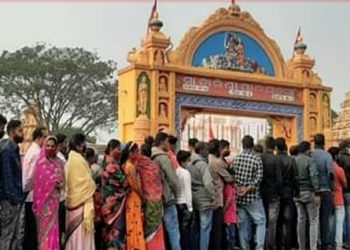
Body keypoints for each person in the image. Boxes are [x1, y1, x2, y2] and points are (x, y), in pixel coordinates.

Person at [233, 135, 265, 250]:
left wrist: (239, 188)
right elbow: (258, 179)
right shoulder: (256, 159)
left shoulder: (236, 158)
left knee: (242, 224)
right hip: (252, 198)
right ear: (253, 145)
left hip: (239, 198)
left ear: (242, 144)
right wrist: (247, 189)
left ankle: (244, 247)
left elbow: (233, 177)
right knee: (261, 222)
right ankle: (259, 247)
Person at [32, 136, 65, 250]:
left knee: (54, 227)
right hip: (43, 202)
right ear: (44, 146)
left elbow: (62, 178)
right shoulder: (41, 162)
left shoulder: (60, 162)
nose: (50, 148)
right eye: (48, 145)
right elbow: (38, 183)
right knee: (43, 230)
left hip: (54, 200)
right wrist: (52, 182)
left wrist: (60, 183)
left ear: (56, 147)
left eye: (52, 146)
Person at [65, 133, 96, 250]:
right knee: (81, 236)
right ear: (78, 145)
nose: (85, 146)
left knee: (74, 237)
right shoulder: (78, 160)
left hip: (72, 202)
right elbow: (88, 183)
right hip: (81, 204)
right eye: (83, 143)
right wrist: (93, 185)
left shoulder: (71, 158)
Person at [152, 132, 181, 250]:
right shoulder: (163, 157)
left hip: (155, 199)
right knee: (173, 231)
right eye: (168, 141)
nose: (169, 144)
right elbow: (173, 179)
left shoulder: (151, 156)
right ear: (163, 142)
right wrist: (177, 192)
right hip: (167, 198)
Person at [99, 139, 128, 249]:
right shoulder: (112, 164)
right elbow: (124, 183)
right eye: (118, 149)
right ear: (111, 149)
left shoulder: (104, 160)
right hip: (114, 204)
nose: (120, 151)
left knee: (108, 230)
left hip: (105, 202)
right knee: (115, 231)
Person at [22, 126, 48, 250]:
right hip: (32, 196)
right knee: (31, 232)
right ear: (38, 138)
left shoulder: (33, 150)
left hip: (31, 195)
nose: (47, 140)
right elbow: (31, 176)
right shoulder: (37, 153)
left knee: (31, 231)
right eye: (45, 137)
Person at [0, 120, 25, 249]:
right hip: (10, 201)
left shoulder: (14, 149)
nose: (23, 133)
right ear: (12, 132)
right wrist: (14, 200)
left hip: (17, 200)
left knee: (17, 235)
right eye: (20, 131)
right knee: (7, 235)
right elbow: (7, 178)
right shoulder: (7, 151)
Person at [138, 140, 166, 249]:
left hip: (148, 201)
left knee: (148, 229)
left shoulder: (139, 164)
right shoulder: (154, 165)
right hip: (158, 200)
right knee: (156, 228)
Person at [118, 142, 146, 250]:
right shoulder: (131, 166)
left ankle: (132, 245)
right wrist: (142, 197)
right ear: (131, 153)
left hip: (129, 198)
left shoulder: (125, 164)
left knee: (131, 223)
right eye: (136, 152)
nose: (138, 154)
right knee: (136, 223)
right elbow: (135, 186)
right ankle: (137, 246)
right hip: (134, 197)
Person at [187, 141, 215, 250]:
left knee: (196, 228)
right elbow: (208, 183)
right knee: (205, 228)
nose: (208, 152)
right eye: (207, 150)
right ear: (202, 150)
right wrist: (212, 196)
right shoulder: (202, 164)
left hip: (194, 199)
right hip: (205, 202)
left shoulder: (189, 163)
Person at [294, 141, 320, 250]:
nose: (311, 151)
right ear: (306, 149)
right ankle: (313, 247)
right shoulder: (310, 160)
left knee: (301, 220)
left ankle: (301, 247)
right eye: (310, 149)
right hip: (309, 193)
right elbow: (314, 176)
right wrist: (317, 192)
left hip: (297, 194)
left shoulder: (293, 160)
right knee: (313, 221)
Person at [208, 139, 234, 250]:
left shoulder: (209, 159)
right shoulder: (217, 162)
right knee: (218, 228)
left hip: (211, 197)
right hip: (217, 198)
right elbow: (229, 178)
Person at [275, 137, 299, 250]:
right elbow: (295, 178)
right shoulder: (291, 160)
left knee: (278, 221)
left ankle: (278, 244)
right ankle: (288, 245)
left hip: (276, 194)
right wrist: (297, 191)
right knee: (288, 221)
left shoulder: (275, 160)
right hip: (289, 193)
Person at [311, 133, 334, 250]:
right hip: (325, 190)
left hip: (313, 192)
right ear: (324, 143)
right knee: (325, 219)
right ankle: (325, 243)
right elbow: (330, 173)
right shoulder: (327, 156)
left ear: (314, 143)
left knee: (313, 220)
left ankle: (314, 243)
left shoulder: (310, 155)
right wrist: (331, 188)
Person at [260, 137, 282, 250]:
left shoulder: (260, 158)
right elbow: (279, 179)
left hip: (261, 194)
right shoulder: (276, 159)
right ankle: (270, 244)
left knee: (262, 220)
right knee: (272, 222)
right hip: (274, 195)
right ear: (274, 147)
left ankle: (261, 243)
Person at [328, 147, 347, 250]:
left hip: (329, 198)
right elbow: (345, 183)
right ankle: (338, 245)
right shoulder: (339, 169)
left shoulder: (327, 167)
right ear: (335, 156)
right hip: (339, 199)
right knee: (339, 223)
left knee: (330, 222)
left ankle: (329, 243)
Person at [176, 150, 193, 250]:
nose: (189, 162)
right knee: (186, 231)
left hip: (177, 204)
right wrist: (190, 208)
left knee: (180, 231)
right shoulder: (186, 173)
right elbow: (188, 192)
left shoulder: (176, 171)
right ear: (182, 161)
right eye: (188, 160)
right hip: (185, 204)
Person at [55, 133, 68, 248]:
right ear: (60, 144)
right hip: (59, 198)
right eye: (65, 143)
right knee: (59, 226)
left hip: (62, 197)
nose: (67, 145)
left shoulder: (61, 157)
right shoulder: (59, 158)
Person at [339, 139, 350, 249]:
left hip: (339, 190)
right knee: (348, 215)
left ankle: (342, 238)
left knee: (341, 216)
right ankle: (347, 240)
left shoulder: (337, 159)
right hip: (347, 190)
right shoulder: (348, 159)